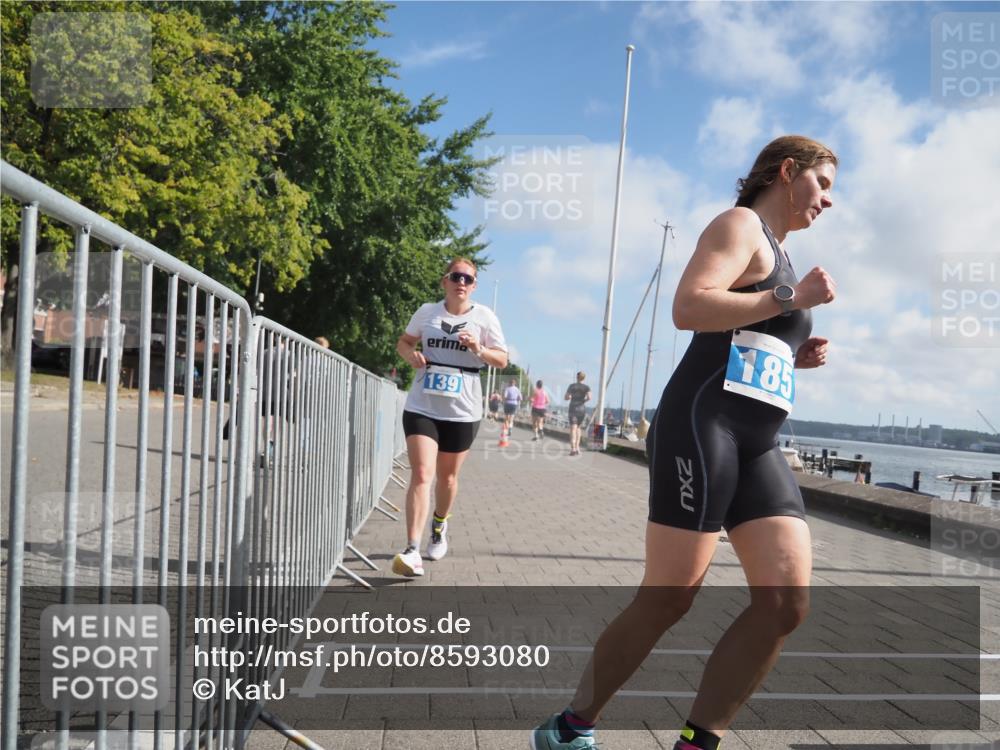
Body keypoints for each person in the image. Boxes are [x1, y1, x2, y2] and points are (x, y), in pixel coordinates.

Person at [530, 135, 836, 750]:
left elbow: (741, 334)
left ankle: (698, 743)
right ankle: (571, 727)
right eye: (822, 185)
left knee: (785, 602)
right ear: (787, 171)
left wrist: (789, 355)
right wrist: (790, 298)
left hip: (757, 440)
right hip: (703, 429)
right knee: (670, 597)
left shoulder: (778, 250)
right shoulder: (741, 225)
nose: (828, 202)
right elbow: (689, 308)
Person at [393, 258, 508, 576]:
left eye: (468, 279)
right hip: (423, 405)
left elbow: (501, 359)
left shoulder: (485, 317)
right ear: (445, 281)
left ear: (474, 286)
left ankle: (439, 526)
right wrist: (411, 356)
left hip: (463, 410)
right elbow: (404, 342)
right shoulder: (427, 312)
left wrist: (478, 349)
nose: (462, 282)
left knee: (448, 479)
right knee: (421, 474)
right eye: (456, 276)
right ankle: (412, 550)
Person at [564, 372, 591, 457]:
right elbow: (589, 397)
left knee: (573, 428)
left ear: (577, 377)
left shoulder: (571, 386)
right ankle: (577, 447)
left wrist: (570, 397)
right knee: (578, 428)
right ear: (584, 378)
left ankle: (573, 449)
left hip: (573, 409)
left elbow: (566, 397)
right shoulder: (587, 387)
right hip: (582, 409)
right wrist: (583, 401)